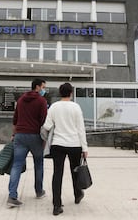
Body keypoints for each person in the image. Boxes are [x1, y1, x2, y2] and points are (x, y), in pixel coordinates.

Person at [42, 82, 88, 216]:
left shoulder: (54, 107)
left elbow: (47, 125)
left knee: (57, 174)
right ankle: (78, 194)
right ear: (71, 93)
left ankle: (57, 205)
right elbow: (81, 129)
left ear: (60, 93)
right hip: (75, 144)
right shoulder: (76, 107)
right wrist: (84, 148)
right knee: (75, 171)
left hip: (58, 144)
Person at [7, 78, 48, 207]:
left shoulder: (20, 100)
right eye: (43, 87)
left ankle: (12, 195)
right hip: (35, 136)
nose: (44, 89)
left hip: (20, 135)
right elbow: (44, 121)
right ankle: (39, 191)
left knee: (17, 165)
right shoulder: (41, 101)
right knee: (39, 164)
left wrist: (14, 134)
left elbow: (15, 119)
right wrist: (45, 139)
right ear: (37, 87)